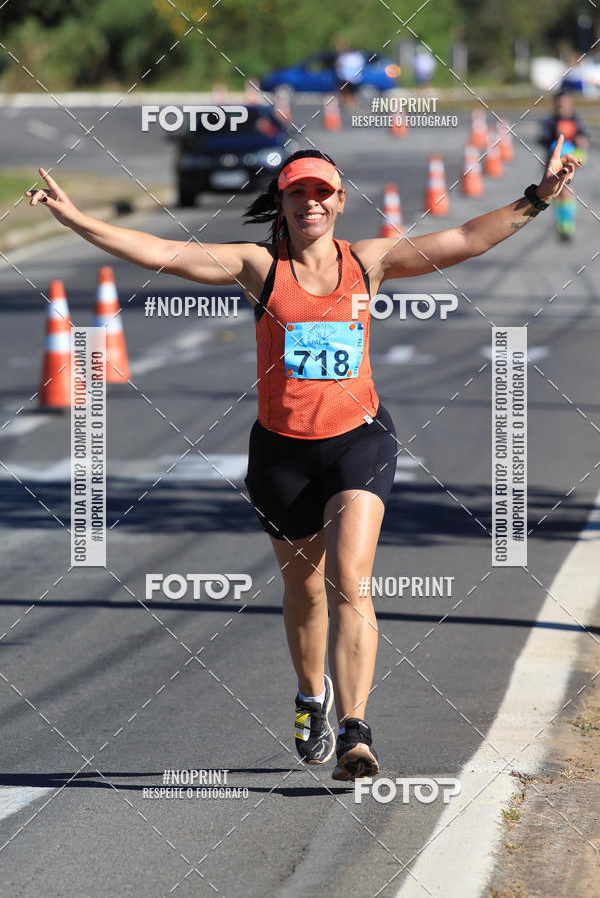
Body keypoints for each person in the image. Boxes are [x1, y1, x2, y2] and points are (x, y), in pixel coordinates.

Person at [27, 140, 581, 781]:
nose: (311, 203)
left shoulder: (369, 260)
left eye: (322, 192)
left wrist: (539, 197)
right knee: (305, 589)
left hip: (358, 439)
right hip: (281, 452)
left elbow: (465, 239)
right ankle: (310, 697)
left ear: (340, 201)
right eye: (298, 193)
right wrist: (75, 218)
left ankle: (355, 731)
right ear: (283, 202)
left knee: (351, 579)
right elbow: (160, 252)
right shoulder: (258, 266)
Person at [538, 87, 589, 240]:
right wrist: (554, 139)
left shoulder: (576, 119)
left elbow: (584, 137)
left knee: (566, 191)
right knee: (558, 193)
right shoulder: (550, 121)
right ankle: (562, 223)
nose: (562, 104)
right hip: (554, 162)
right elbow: (542, 139)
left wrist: (580, 141)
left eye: (565, 101)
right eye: (559, 102)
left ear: (569, 102)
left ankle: (566, 225)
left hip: (572, 162)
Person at [333, 39, 365, 108]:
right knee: (349, 92)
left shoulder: (345, 57)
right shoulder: (356, 56)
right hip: (353, 78)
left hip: (348, 78)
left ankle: (349, 103)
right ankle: (349, 103)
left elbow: (340, 66)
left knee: (347, 92)